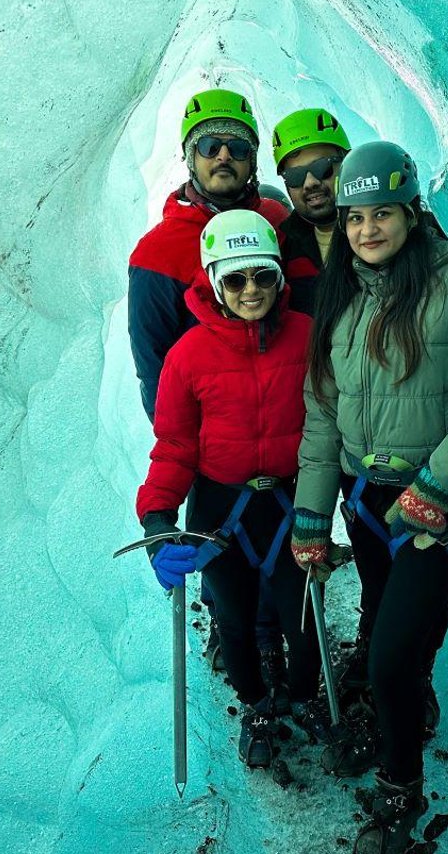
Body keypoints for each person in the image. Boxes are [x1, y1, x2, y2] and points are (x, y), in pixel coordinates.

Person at [289, 142, 448, 853]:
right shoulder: (340, 296)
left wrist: (435, 487)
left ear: (409, 210)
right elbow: (322, 418)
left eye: (382, 214)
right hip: (366, 502)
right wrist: (310, 516)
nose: (367, 230)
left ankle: (400, 788)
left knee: (392, 655)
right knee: (381, 619)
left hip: (436, 510)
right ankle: (405, 707)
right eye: (355, 216)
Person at [135, 210, 336, 768]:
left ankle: (301, 696)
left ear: (279, 276)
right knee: (234, 615)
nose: (252, 290)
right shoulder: (188, 356)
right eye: (236, 279)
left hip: (294, 501)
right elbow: (174, 446)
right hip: (222, 508)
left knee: (303, 612)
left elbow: (333, 417)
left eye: (263, 276)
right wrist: (157, 517)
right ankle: (256, 705)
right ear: (215, 281)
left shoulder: (307, 337)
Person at [126, 88, 290, 690]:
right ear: (188, 158)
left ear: (255, 160)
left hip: (287, 449)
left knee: (283, 564)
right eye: (209, 146)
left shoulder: (280, 228)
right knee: (234, 567)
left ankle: (274, 642)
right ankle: (243, 640)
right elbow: (155, 370)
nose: (224, 157)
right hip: (213, 453)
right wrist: (182, 462)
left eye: (238, 147)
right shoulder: (159, 253)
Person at [270, 108, 351, 316]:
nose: (310, 183)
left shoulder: (390, 231)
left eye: (322, 168)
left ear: (348, 163)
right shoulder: (285, 251)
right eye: (295, 176)